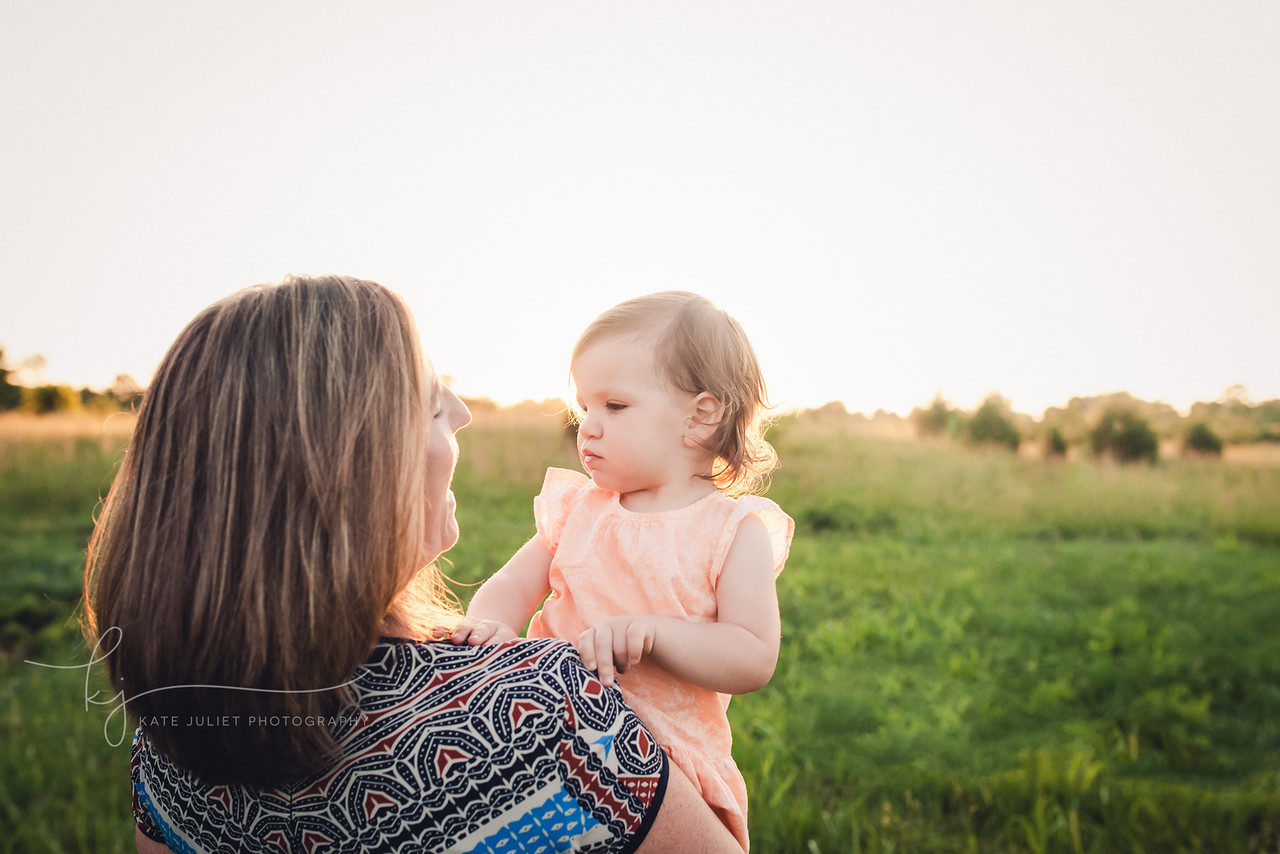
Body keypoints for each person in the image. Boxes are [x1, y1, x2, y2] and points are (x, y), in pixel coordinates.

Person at [81, 275, 738, 853]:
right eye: (430, 404)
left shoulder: (171, 733)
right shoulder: (541, 717)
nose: (463, 412)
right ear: (357, 477)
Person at [451, 291, 793, 850]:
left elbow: (752, 654)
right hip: (549, 742)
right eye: (584, 408)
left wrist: (656, 634)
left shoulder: (732, 531)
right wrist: (491, 621)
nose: (588, 427)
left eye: (615, 406)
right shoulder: (578, 509)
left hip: (666, 766)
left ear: (700, 416)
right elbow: (514, 583)